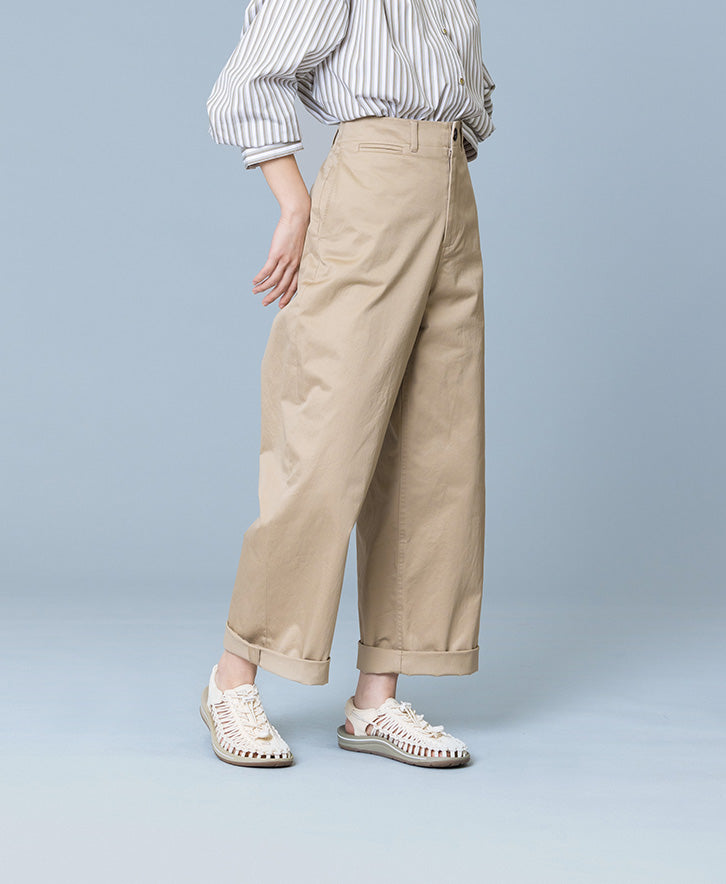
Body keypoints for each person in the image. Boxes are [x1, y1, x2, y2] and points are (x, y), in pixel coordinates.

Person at [199, 0, 496, 768]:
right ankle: (233, 678)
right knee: (326, 443)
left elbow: (467, 80)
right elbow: (248, 79)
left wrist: (443, 151)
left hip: (450, 188)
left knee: (436, 450)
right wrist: (296, 201)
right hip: (370, 186)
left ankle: (375, 700)